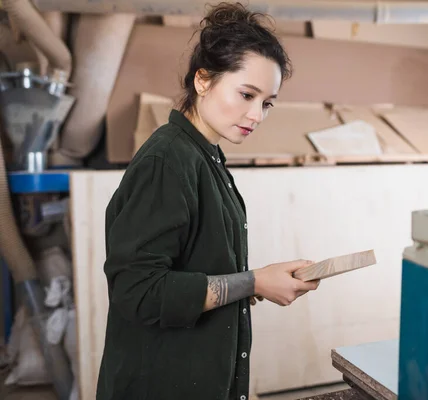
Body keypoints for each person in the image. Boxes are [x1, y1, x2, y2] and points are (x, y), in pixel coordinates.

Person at [95, 3, 320, 399]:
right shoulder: (168, 161)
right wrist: (254, 281)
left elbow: (199, 266)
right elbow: (139, 292)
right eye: (246, 94)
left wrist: (263, 281)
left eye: (267, 103)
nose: (257, 115)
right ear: (203, 79)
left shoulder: (205, 156)